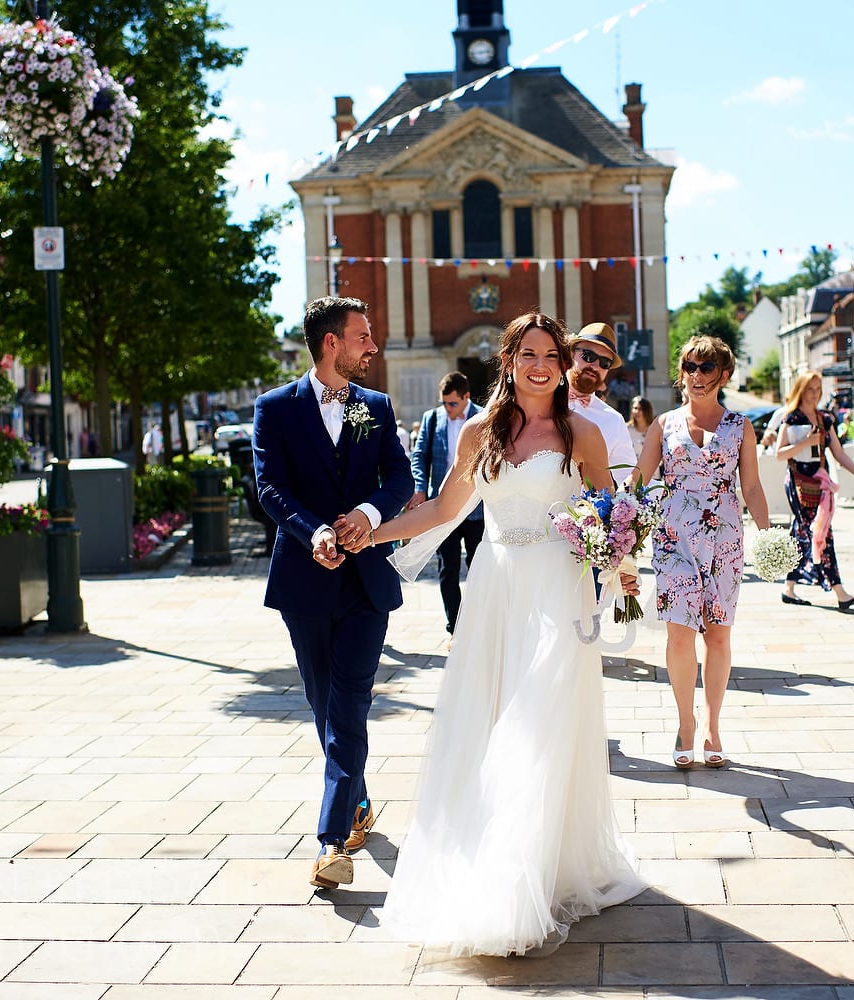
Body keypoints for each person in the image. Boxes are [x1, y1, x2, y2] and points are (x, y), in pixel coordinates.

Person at [371, 311, 645, 957]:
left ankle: (521, 882)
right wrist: (370, 535)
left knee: (538, 724)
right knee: (491, 719)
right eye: (528, 353)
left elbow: (610, 513)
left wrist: (623, 569)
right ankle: (496, 869)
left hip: (557, 587)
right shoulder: (478, 431)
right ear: (509, 360)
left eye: (551, 353)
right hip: (495, 589)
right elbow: (442, 510)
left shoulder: (582, 434)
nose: (541, 364)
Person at [250, 296, 414, 890]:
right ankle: (358, 800)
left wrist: (369, 514)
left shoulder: (376, 407)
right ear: (331, 344)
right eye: (362, 337)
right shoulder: (275, 408)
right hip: (304, 580)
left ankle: (328, 841)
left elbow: (400, 477)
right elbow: (270, 487)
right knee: (324, 705)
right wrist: (314, 530)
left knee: (350, 704)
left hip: (366, 583)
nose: (372, 347)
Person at [631, 336, 770, 770]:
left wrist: (768, 537)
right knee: (678, 635)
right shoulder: (664, 425)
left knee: (719, 634)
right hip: (674, 539)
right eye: (689, 366)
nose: (696, 375)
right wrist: (613, 518)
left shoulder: (740, 427)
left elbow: (750, 486)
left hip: (725, 539)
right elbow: (639, 478)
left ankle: (713, 724)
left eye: (706, 368)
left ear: (723, 375)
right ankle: (684, 723)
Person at [776, 371, 854, 610]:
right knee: (821, 533)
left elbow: (839, 454)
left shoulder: (824, 419)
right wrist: (804, 443)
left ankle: (789, 587)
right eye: (810, 389)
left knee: (802, 533)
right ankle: (839, 591)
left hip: (821, 483)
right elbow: (780, 454)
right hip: (799, 482)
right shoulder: (791, 417)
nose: (815, 394)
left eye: (818, 389)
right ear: (801, 389)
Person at [408, 371, 486, 636]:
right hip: (444, 509)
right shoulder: (432, 419)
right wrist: (419, 488)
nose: (447, 409)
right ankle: (456, 628)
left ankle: (477, 624)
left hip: (478, 509)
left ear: (466, 397)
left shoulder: (484, 417)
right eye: (444, 403)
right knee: (448, 570)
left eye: (452, 403)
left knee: (479, 570)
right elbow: (419, 456)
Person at [567, 322, 636, 484]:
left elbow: (627, 476)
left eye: (605, 363)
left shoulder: (614, 420)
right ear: (571, 354)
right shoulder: (541, 401)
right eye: (588, 356)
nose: (595, 366)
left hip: (588, 508)